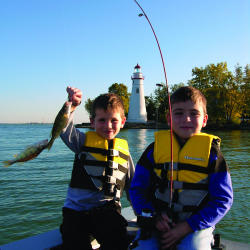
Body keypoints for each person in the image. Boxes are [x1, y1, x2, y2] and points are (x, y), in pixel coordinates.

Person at [129, 86, 233, 250]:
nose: (186, 119)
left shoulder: (213, 156)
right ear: (169, 118)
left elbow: (223, 200)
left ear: (204, 119)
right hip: (157, 221)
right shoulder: (153, 151)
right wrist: (153, 216)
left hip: (196, 225)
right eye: (178, 113)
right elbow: (137, 189)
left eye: (194, 113)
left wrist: (187, 226)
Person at [59, 87, 135, 250]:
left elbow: (133, 187)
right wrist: (72, 105)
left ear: (122, 122)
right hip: (75, 212)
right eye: (102, 120)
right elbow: (64, 129)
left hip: (108, 211)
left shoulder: (125, 154)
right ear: (92, 121)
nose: (108, 125)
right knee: (74, 243)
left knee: (119, 241)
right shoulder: (81, 141)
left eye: (114, 120)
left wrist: (142, 212)